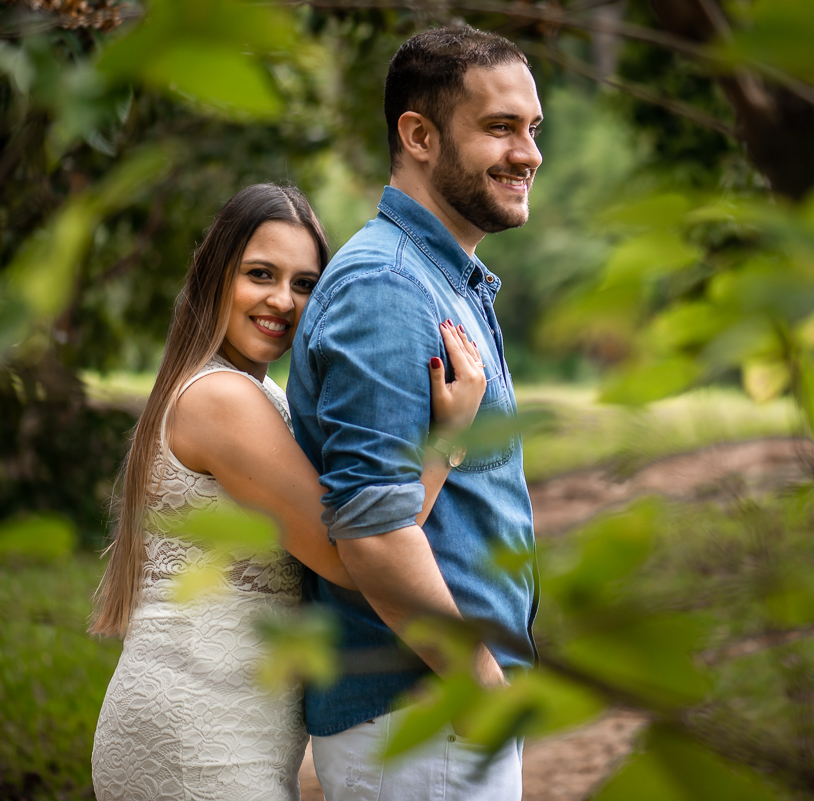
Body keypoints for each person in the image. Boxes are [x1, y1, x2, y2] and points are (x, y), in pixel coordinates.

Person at [88, 182, 488, 800]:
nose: (282, 300)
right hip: (200, 729)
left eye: (305, 284)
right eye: (260, 274)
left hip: (231, 717)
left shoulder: (254, 395)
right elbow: (349, 556)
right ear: (216, 277)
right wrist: (445, 442)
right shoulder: (223, 400)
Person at [287, 25, 542, 800]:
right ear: (419, 135)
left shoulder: (441, 280)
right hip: (423, 718)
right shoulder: (387, 288)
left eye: (533, 129)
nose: (528, 153)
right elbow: (372, 530)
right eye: (500, 127)